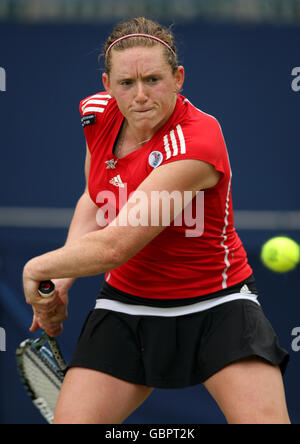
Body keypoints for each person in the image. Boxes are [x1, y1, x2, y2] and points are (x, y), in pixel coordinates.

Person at [23, 17, 290, 424]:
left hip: (217, 306)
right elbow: (96, 202)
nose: (141, 95)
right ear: (107, 84)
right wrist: (60, 280)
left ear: (178, 77)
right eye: (126, 83)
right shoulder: (95, 115)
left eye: (153, 79)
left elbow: (116, 245)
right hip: (126, 307)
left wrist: (37, 268)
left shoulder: (198, 140)